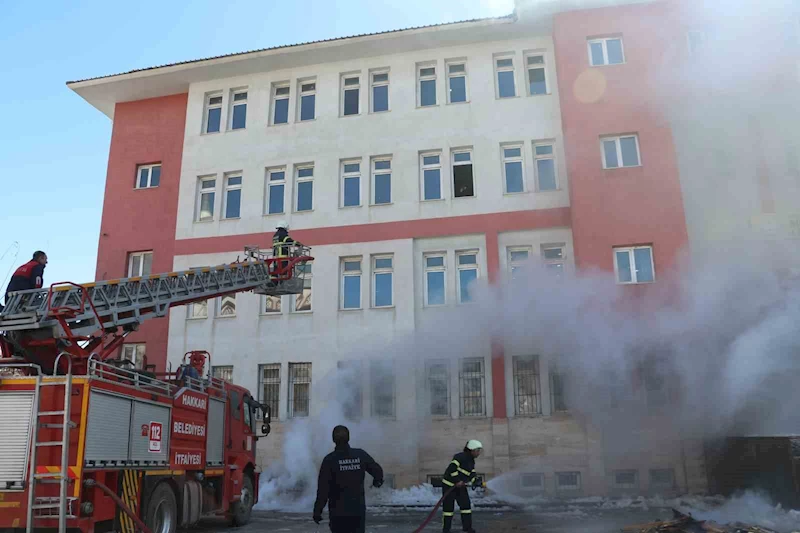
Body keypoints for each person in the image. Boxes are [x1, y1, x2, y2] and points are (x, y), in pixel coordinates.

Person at [313, 425, 384, 533]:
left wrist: (318, 511)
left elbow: (323, 489)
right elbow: (377, 470)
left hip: (338, 514)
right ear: (349, 438)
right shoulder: (360, 455)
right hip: (357, 511)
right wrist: (377, 481)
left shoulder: (330, 460)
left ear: (333, 440)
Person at [440, 439, 483, 533]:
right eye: (478, 450)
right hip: (449, 486)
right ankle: (446, 530)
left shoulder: (471, 461)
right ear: (472, 450)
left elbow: (471, 472)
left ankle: (467, 528)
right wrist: (457, 481)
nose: (479, 453)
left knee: (466, 506)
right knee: (448, 509)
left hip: (460, 486)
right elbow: (452, 469)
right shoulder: (460, 457)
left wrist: (475, 480)